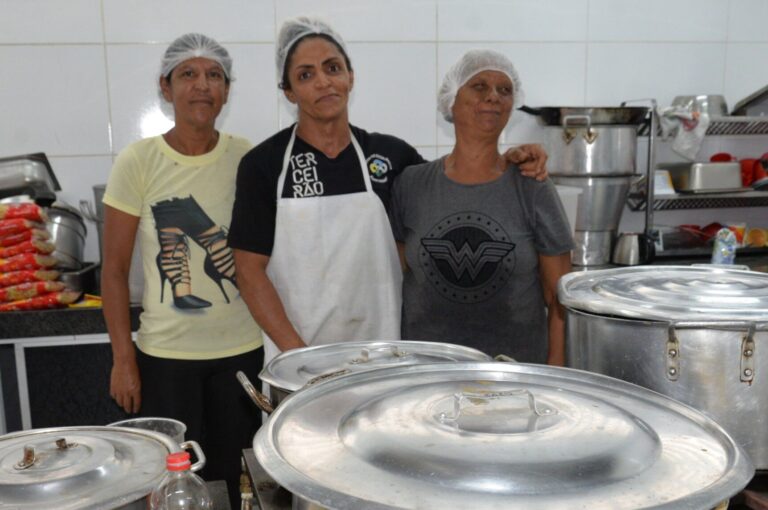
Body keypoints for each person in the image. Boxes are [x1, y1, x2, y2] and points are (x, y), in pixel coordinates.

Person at [228, 17, 548, 365]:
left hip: (386, 358)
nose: (323, 82)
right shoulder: (264, 165)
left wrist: (510, 159)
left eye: (332, 68)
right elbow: (248, 272)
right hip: (298, 358)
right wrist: (302, 359)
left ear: (350, 77)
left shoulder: (393, 157)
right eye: (305, 75)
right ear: (289, 91)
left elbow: (459, 182)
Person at [101, 33, 263, 508]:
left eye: (214, 75)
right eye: (188, 74)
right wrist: (124, 359)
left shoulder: (247, 158)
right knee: (173, 489)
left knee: (240, 484)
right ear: (165, 87)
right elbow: (113, 269)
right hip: (165, 358)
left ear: (227, 91)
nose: (202, 85)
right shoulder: (139, 161)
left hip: (242, 354)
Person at [390, 49, 573, 365]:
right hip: (425, 375)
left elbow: (559, 299)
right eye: (479, 86)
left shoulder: (532, 183)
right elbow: (396, 278)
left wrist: (555, 382)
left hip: (513, 374)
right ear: (452, 101)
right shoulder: (412, 184)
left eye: (505, 90)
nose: (493, 96)